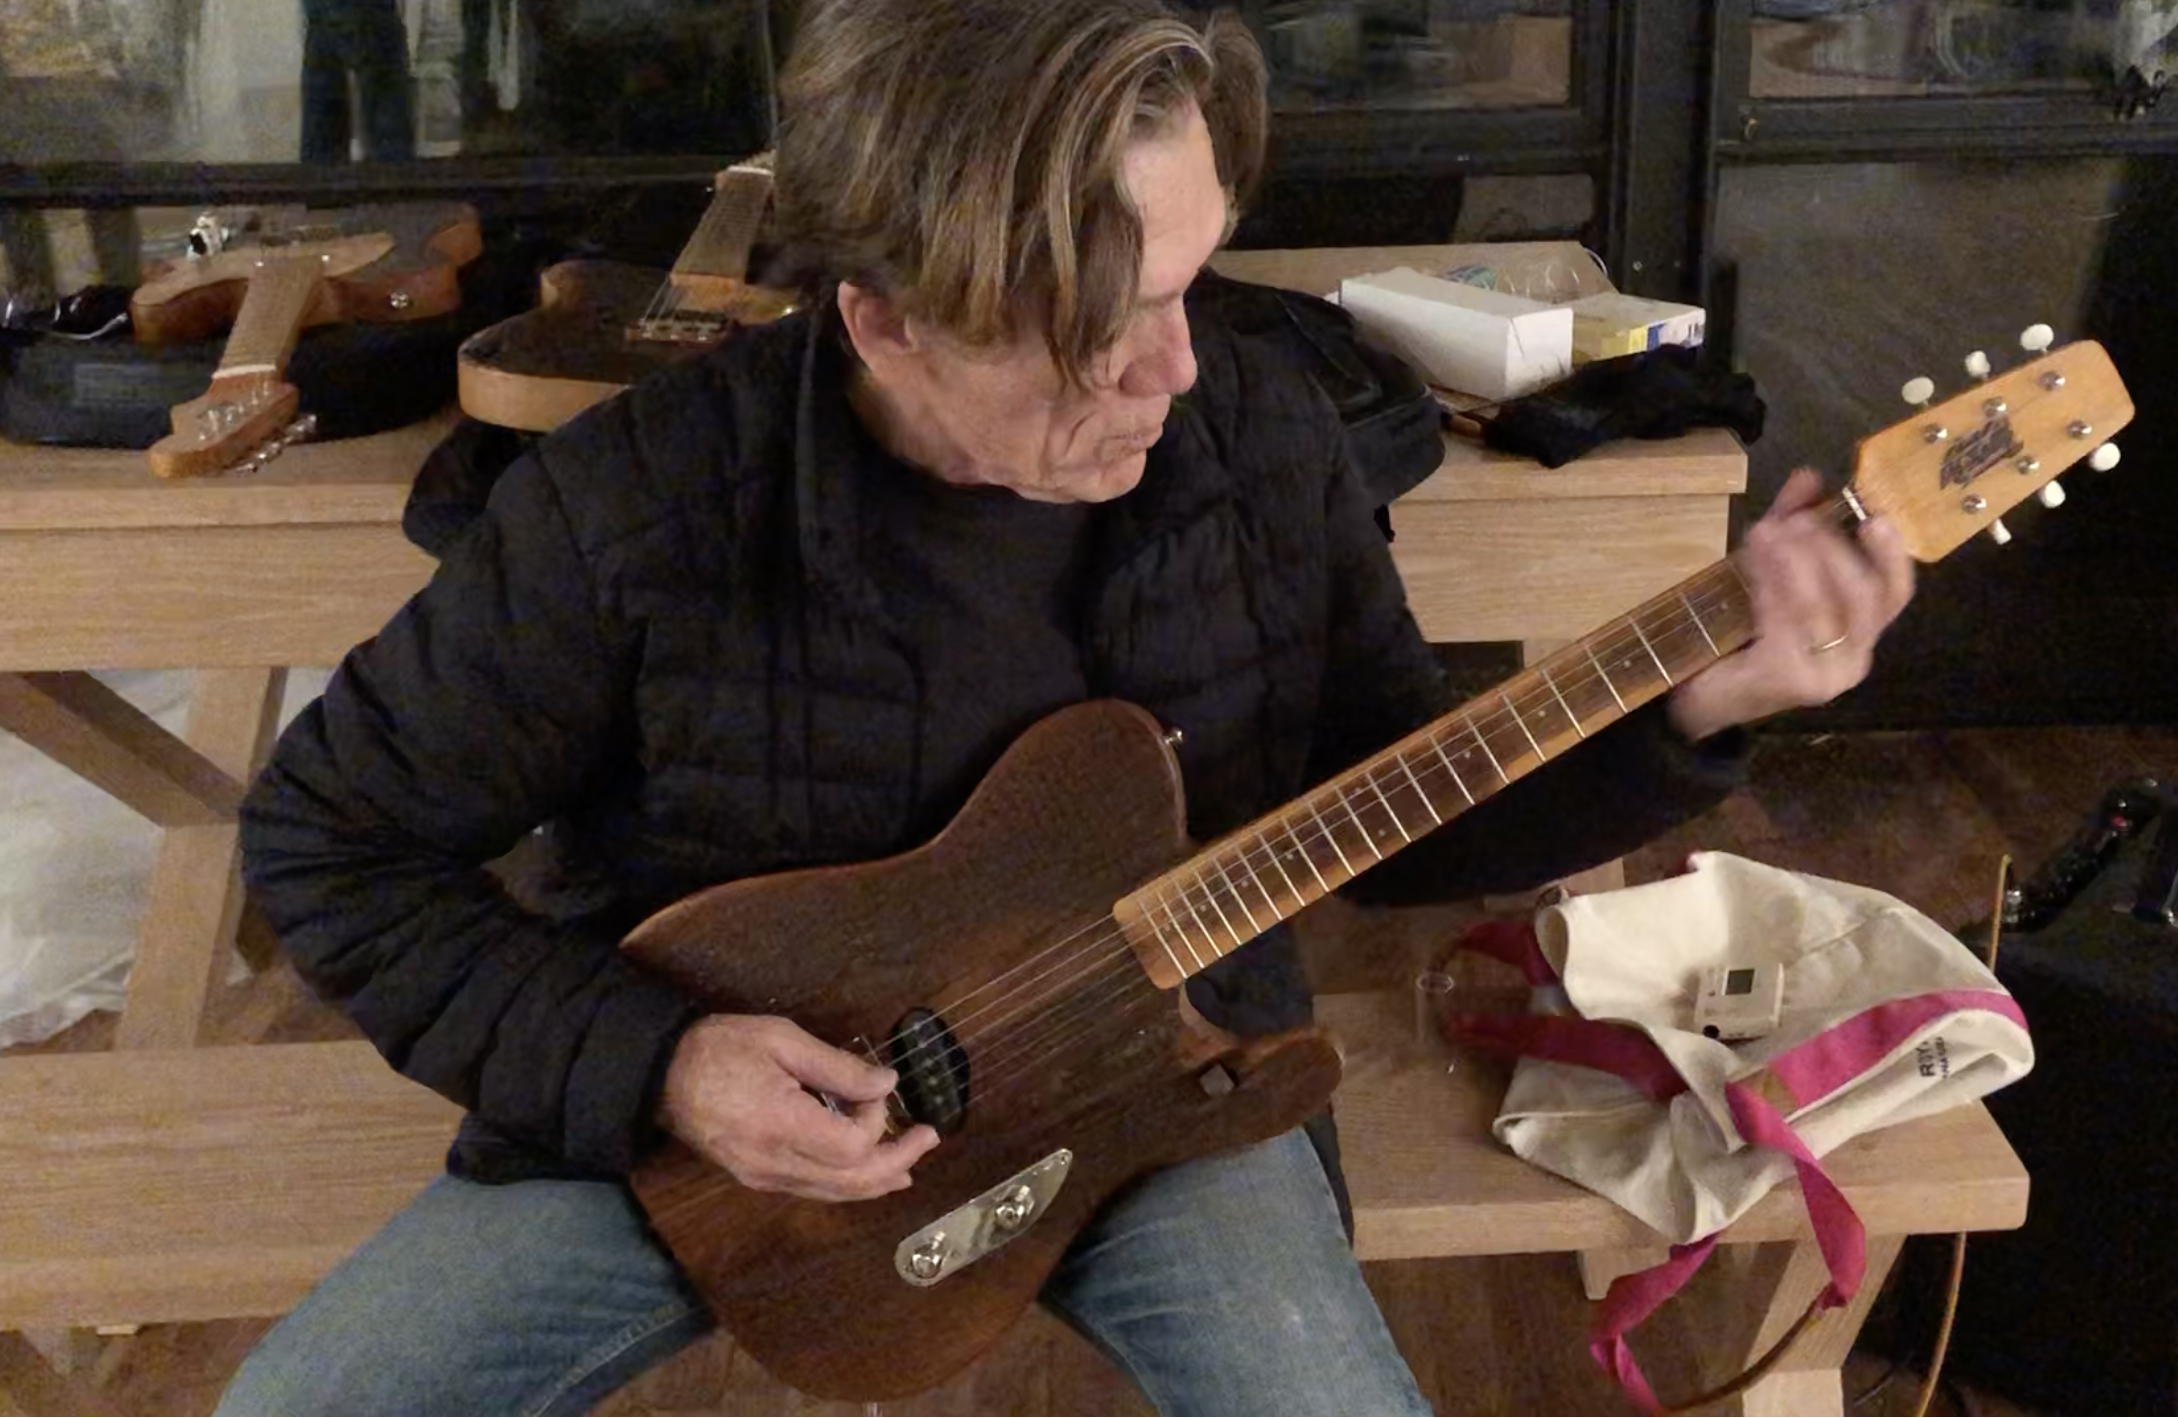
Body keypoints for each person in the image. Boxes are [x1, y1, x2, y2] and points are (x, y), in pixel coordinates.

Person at [223, 1, 1914, 1412]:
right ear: (878, 317)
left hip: (1158, 1077)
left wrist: (1701, 706)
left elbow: (1389, 803)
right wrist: (659, 1063)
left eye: (1188, 284)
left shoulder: (1255, 435)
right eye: (1091, 331)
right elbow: (326, 841)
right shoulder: (639, 505)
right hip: (706, 1126)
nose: (1172, 371)